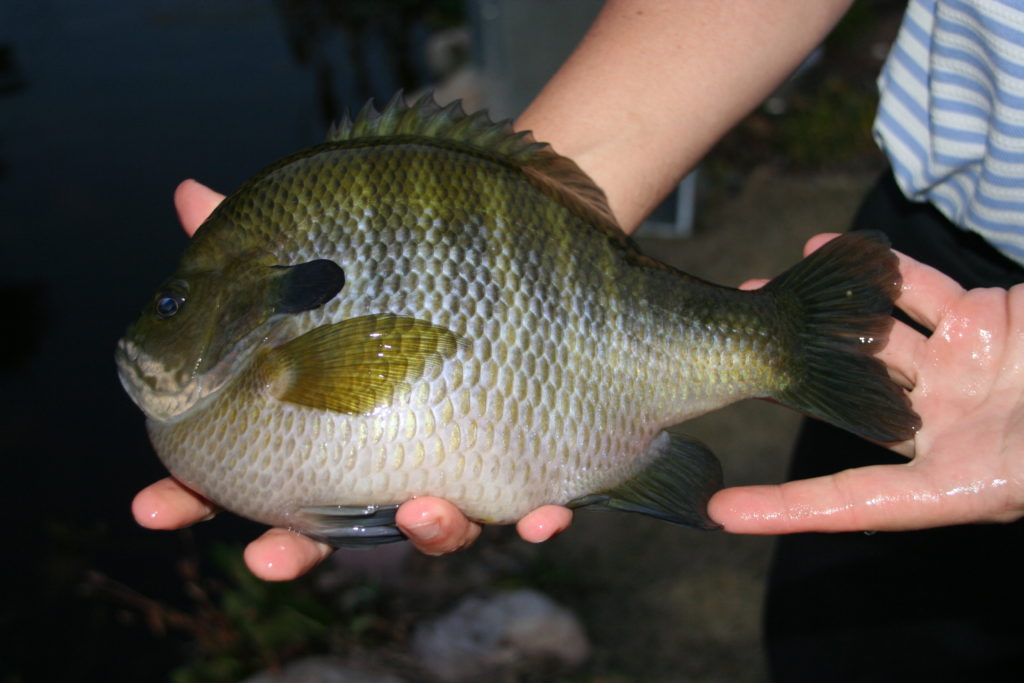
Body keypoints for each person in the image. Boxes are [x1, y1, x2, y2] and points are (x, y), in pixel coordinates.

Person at [135, 0, 1024, 677]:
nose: (156, 325)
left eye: (175, 305)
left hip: (956, 301)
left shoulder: (269, 350)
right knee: (845, 644)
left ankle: (785, 345)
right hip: (943, 247)